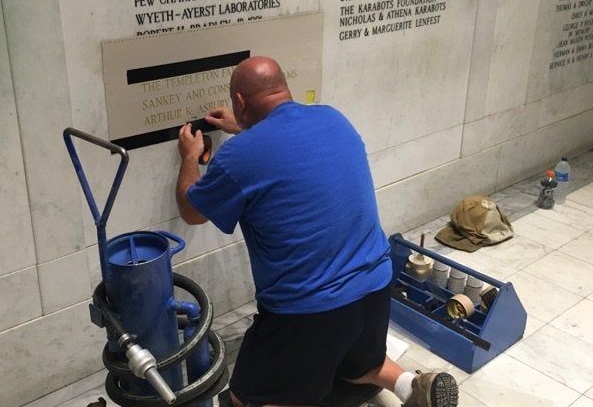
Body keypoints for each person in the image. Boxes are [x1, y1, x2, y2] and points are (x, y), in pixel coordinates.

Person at [176, 56, 458, 407]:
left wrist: (190, 157)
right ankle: (409, 386)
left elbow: (191, 211)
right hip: (375, 289)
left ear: (240, 102)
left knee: (244, 397)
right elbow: (283, 146)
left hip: (308, 312)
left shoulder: (239, 155)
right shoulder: (333, 118)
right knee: (361, 364)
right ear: (284, 89)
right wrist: (249, 128)